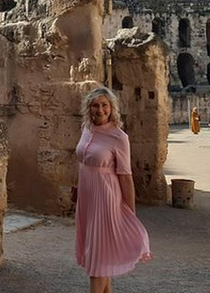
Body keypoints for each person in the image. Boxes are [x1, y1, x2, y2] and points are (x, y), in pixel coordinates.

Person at [73, 87, 151, 293]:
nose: (100, 110)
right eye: (95, 105)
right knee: (100, 257)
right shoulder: (86, 128)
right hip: (87, 199)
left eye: (104, 105)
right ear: (89, 108)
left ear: (111, 107)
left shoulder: (119, 137)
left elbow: (125, 176)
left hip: (106, 200)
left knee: (97, 261)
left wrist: (130, 211)